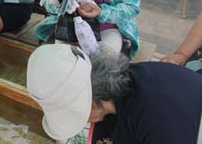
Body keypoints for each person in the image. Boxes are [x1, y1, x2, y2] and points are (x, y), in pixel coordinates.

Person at [27, 44, 202, 144]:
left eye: (72, 112)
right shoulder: (115, 92)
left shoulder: (158, 117)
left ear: (91, 100)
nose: (82, 120)